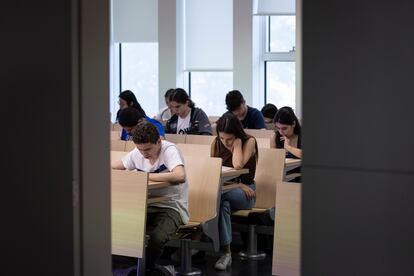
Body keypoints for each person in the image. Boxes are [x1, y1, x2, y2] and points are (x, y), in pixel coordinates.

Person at [112, 122, 189, 275]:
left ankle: (147, 269)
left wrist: (147, 177)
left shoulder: (169, 150)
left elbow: (180, 175)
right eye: (140, 149)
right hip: (146, 204)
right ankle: (139, 268)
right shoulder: (138, 152)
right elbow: (114, 167)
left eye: (148, 149)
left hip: (172, 206)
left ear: (159, 141)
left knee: (157, 238)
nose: (144, 154)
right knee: (119, 228)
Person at [210, 113, 258, 271]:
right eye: (222, 138)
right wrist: (235, 185)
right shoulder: (216, 143)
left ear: (237, 133)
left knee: (215, 195)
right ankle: (227, 254)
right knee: (222, 203)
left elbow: (238, 166)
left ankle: (198, 234)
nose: (225, 142)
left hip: (247, 192)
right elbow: (212, 172)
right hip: (226, 190)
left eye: (229, 138)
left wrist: (236, 145)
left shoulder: (248, 141)